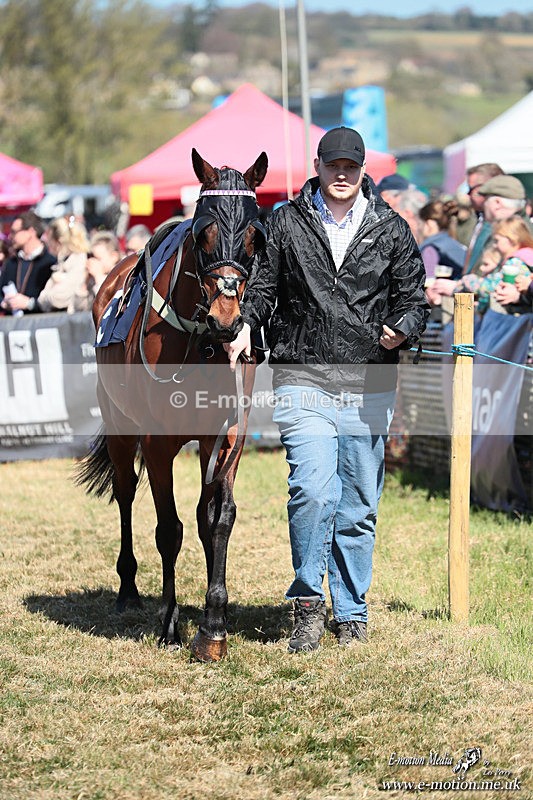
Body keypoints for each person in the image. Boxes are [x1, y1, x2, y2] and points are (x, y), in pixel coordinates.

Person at [225, 126, 430, 652]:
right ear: (317, 166)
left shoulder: (390, 227)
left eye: (351, 166)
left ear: (363, 172)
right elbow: (265, 287)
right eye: (333, 165)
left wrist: (403, 325)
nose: (341, 174)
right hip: (303, 375)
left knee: (358, 504)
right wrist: (247, 323)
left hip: (369, 379)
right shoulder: (286, 222)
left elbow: (414, 298)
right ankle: (309, 604)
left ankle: (353, 610)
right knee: (313, 490)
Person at [4, 216, 90, 314]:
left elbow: (58, 298)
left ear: (58, 241)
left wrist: (33, 302)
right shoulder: (62, 262)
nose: (47, 242)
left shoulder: (77, 261)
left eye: (49, 239)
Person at [0, 211, 56, 314]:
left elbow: (54, 300)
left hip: (41, 325)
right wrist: (4, 303)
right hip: (12, 326)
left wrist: (29, 303)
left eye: (14, 232)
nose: (10, 236)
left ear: (31, 232)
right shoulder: (10, 263)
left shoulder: (51, 263)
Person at [69, 230, 122, 312]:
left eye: (98, 258)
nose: (93, 262)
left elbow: (109, 306)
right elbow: (78, 308)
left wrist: (99, 277)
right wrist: (85, 284)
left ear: (114, 257)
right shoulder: (92, 280)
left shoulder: (122, 278)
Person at [492, 216, 533, 313]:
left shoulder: (515, 262)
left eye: (497, 240)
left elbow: (492, 284)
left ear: (512, 239)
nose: (494, 245)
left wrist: (464, 283)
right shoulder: (528, 253)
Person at [418, 199, 466, 280]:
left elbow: (427, 282)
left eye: (421, 223)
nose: (419, 227)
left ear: (429, 224)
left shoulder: (431, 249)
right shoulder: (457, 245)